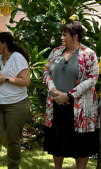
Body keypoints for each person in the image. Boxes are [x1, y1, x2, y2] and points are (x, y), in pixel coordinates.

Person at [43, 21, 99, 169]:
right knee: (57, 142)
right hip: (56, 105)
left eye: (64, 35)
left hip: (80, 109)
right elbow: (46, 72)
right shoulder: (55, 52)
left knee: (81, 145)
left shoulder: (89, 54)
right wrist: (54, 91)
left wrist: (68, 95)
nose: (61, 37)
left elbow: (92, 78)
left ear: (75, 36)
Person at [0, 32, 31, 169]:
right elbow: (1, 78)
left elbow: (26, 81)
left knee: (13, 141)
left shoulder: (17, 57)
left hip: (16, 104)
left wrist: (4, 79)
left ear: (4, 44)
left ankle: (13, 167)